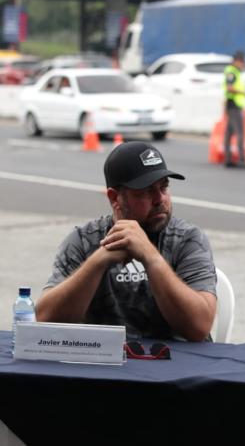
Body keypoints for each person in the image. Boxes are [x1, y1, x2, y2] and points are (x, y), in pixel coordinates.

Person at [37, 141, 218, 342]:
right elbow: (44, 321)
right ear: (115, 198)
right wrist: (97, 262)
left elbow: (199, 327)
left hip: (178, 360)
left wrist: (151, 257)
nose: (160, 199)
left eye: (164, 187)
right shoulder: (83, 240)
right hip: (106, 358)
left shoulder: (188, 239)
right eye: (146, 191)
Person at [223, 51, 245, 167]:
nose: (243, 64)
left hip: (232, 104)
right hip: (234, 105)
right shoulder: (232, 72)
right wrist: (242, 92)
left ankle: (228, 159)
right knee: (240, 133)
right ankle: (242, 160)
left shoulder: (234, 72)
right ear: (237, 61)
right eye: (242, 62)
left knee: (229, 133)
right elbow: (230, 88)